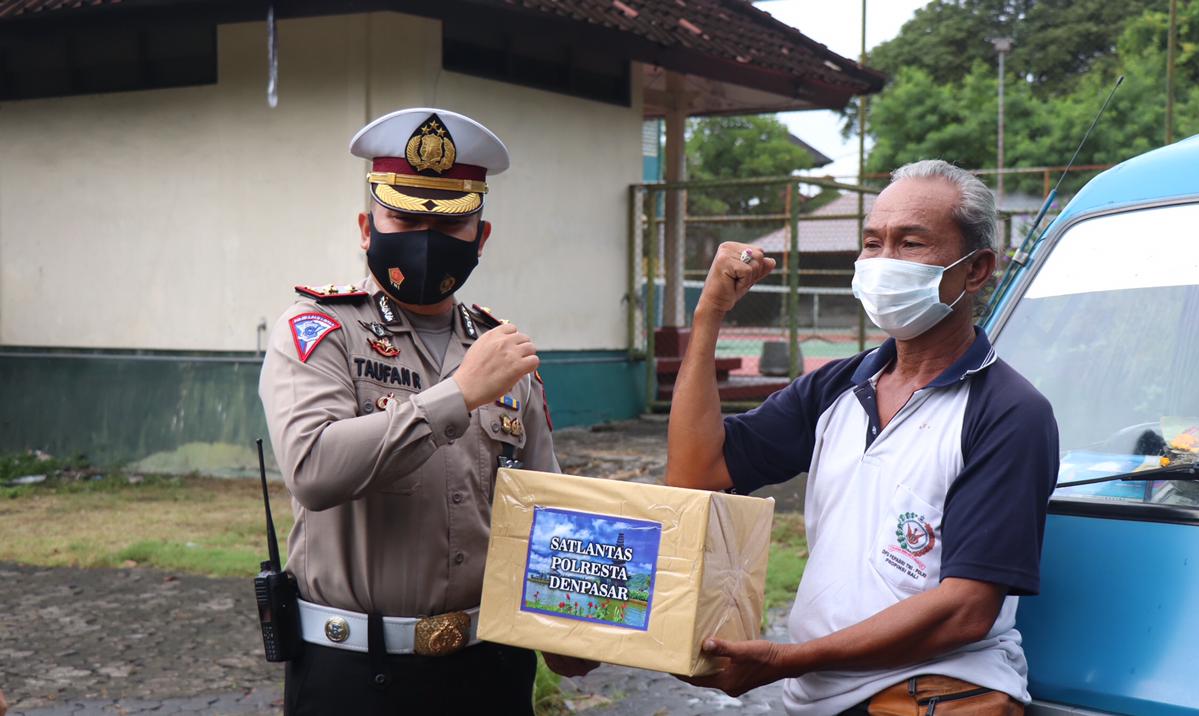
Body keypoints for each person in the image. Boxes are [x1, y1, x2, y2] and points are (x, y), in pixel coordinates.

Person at [665, 159, 1059, 715]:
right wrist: (709, 315)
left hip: (932, 693)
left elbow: (966, 609)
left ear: (976, 270)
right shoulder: (836, 388)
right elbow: (696, 471)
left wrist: (789, 658)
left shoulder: (1008, 412)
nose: (883, 263)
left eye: (910, 243)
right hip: (815, 694)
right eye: (873, 243)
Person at [259, 108, 590, 716]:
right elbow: (312, 469)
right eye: (404, 216)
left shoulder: (505, 351)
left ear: (481, 238)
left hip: (490, 668)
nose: (425, 238)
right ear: (366, 226)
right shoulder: (320, 331)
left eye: (452, 222)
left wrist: (571, 623)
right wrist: (458, 394)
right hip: (356, 675)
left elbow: (549, 510)